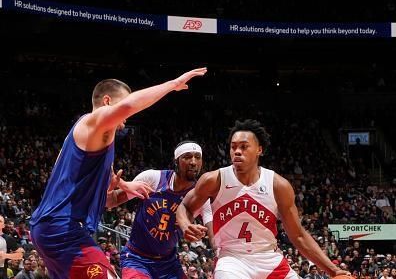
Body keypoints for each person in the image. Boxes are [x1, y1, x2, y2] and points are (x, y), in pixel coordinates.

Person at [29, 68, 207, 279]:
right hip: (62, 228)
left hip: (51, 229)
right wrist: (172, 84)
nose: (126, 118)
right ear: (106, 101)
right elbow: (129, 105)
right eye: (122, 104)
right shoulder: (94, 121)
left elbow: (94, 193)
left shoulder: (94, 139)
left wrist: (120, 184)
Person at [176, 119, 351, 279]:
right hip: (232, 259)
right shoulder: (214, 180)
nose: (237, 151)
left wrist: (334, 270)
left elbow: (298, 236)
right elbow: (185, 207)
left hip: (270, 258)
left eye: (244, 147)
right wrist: (185, 226)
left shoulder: (278, 185)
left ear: (259, 150)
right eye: (233, 146)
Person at [107, 141, 212, 279]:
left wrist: (210, 242)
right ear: (176, 161)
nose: (193, 162)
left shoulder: (199, 195)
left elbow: (212, 228)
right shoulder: (153, 178)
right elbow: (112, 201)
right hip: (137, 259)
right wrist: (109, 188)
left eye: (198, 157)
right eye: (187, 156)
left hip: (168, 263)